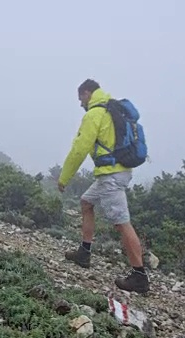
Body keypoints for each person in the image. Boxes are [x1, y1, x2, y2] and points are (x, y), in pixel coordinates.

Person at [57, 79, 149, 294]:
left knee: (121, 224)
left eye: (80, 98)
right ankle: (84, 252)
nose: (80, 103)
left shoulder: (94, 114)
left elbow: (80, 149)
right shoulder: (113, 108)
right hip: (114, 172)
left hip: (111, 176)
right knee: (86, 202)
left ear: (87, 93)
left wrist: (64, 178)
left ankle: (139, 276)